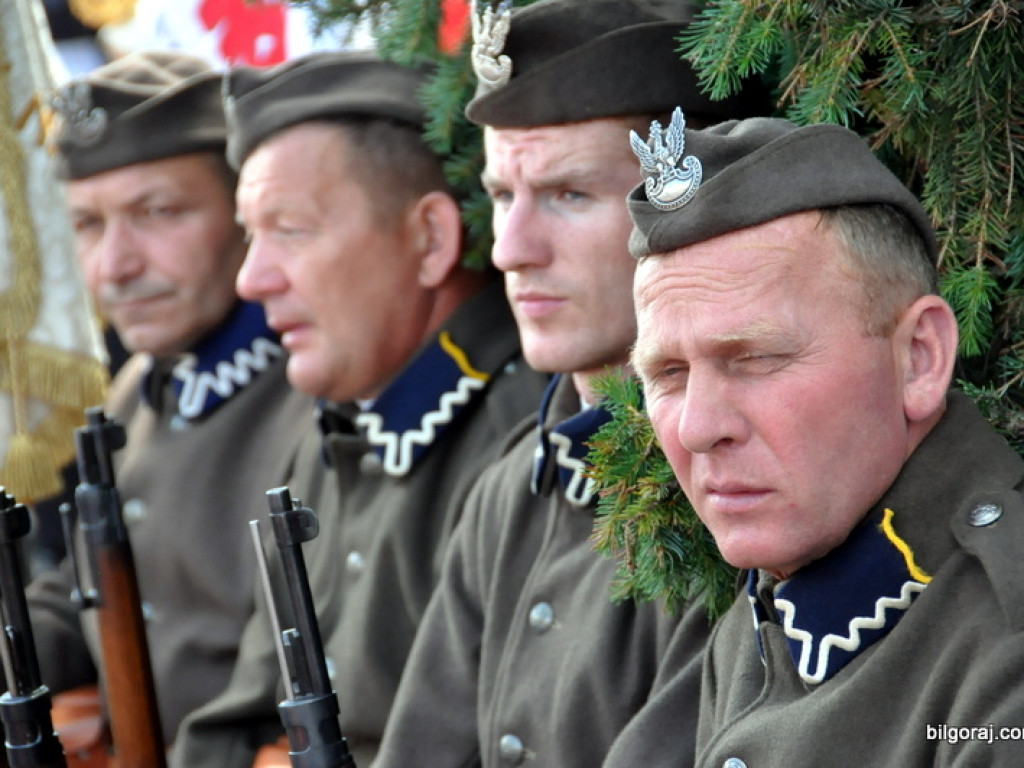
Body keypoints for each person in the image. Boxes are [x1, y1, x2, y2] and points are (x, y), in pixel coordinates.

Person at [372, 2, 770, 766]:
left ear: (681, 201)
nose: (511, 250)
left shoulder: (745, 485)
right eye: (501, 195)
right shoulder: (512, 489)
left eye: (569, 194)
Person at [169, 51, 550, 767]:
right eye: (252, 235)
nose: (252, 278)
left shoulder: (520, 436)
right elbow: (246, 713)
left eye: (291, 229)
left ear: (431, 239)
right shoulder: (334, 430)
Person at [619, 112, 1024, 766]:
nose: (697, 427)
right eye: (667, 373)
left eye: (754, 358)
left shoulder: (1006, 642)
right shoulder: (768, 612)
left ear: (918, 358)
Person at [26, 50, 314, 745]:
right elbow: (80, 598)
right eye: (88, 225)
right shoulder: (143, 389)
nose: (115, 266)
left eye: (156, 212)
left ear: (247, 213)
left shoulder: (312, 398)